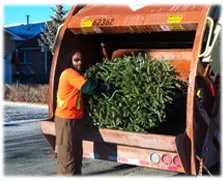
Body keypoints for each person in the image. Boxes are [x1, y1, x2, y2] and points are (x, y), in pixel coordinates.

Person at [54, 50, 115, 176]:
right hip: (66, 120)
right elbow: (89, 87)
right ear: (70, 61)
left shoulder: (76, 75)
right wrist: (106, 87)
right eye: (76, 60)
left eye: (81, 60)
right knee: (67, 157)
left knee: (76, 155)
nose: (79, 62)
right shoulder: (70, 73)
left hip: (74, 120)